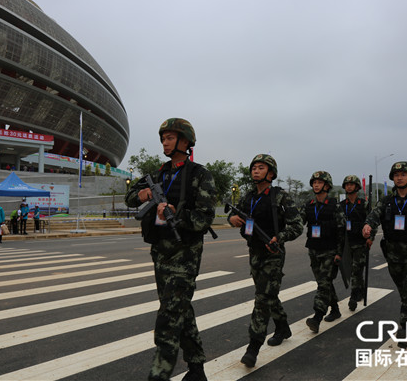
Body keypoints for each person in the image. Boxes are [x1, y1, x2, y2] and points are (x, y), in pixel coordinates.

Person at [125, 118, 216, 381]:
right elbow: (131, 197)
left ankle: (159, 374)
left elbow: (205, 217)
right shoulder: (158, 174)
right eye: (163, 138)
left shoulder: (200, 174)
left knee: (169, 315)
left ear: (185, 141)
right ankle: (197, 368)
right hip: (160, 252)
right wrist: (143, 195)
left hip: (184, 253)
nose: (164, 142)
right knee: (179, 309)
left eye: (170, 137)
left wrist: (177, 213)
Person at [227, 154, 303, 368]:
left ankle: (253, 347)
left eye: (261, 168)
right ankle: (282, 326)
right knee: (268, 295)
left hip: (273, 253)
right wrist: (231, 219)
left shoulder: (280, 197)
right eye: (254, 168)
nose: (256, 171)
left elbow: (297, 226)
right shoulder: (249, 197)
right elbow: (234, 218)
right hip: (255, 252)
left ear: (271, 173)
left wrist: (279, 238)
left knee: (262, 299)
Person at [362, 161, 407, 349]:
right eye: (396, 175)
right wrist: (368, 226)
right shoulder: (386, 201)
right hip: (393, 255)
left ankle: (405, 327)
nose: (399, 177)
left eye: (403, 174)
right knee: (404, 291)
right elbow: (374, 216)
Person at [302, 171, 346, 334]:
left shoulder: (335, 206)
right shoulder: (309, 205)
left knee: (323, 284)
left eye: (320, 182)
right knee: (323, 282)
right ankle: (335, 309)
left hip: (330, 250)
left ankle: (317, 317)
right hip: (313, 249)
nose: (316, 185)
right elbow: (299, 222)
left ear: (327, 186)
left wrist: (339, 253)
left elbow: (342, 232)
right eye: (314, 182)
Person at [340, 175, 375, 311]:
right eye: (347, 184)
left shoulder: (364, 204)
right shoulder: (341, 206)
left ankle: (353, 296)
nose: (349, 186)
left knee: (357, 269)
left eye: (351, 184)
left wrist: (370, 237)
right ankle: (360, 290)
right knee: (351, 269)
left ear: (357, 187)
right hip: (346, 242)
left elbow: (372, 222)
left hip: (360, 242)